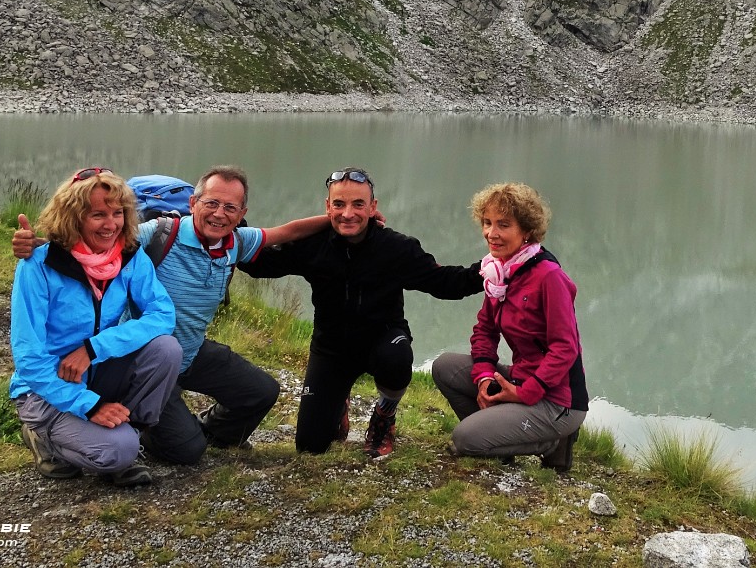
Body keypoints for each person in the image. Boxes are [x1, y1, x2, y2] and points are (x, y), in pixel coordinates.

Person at [14, 165, 334, 465]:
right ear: (193, 203)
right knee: (186, 449)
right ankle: (152, 435)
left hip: (191, 352)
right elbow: (98, 238)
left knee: (261, 391)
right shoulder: (157, 233)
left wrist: (338, 217)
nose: (219, 214)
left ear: (241, 214)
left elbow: (288, 232)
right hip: (145, 359)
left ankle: (209, 433)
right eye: (212, 203)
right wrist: (42, 246)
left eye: (230, 208)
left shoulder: (237, 242)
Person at [244, 167, 483, 457]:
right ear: (327, 207)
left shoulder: (397, 248)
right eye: (339, 204)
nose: (348, 214)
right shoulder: (311, 246)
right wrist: (226, 226)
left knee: (397, 357)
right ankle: (337, 401)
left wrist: (495, 267)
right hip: (331, 349)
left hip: (383, 342)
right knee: (310, 447)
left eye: (358, 204)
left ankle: (385, 413)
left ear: (373, 207)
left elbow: (446, 283)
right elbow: (259, 265)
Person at [9, 167, 182, 487]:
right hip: (47, 386)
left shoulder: (130, 258)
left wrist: (94, 349)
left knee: (166, 349)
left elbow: (162, 314)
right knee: (119, 452)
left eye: (118, 213)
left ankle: (127, 434)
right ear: (73, 216)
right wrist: (90, 407)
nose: (111, 224)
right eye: (98, 214)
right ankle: (43, 438)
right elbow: (29, 358)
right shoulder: (38, 264)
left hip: (97, 370)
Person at [431, 182, 589, 472]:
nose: (492, 233)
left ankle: (554, 442)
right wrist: (482, 378)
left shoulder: (548, 276)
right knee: (444, 367)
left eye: (504, 225)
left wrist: (526, 392)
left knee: (464, 439)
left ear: (526, 230)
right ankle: (500, 443)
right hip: (521, 378)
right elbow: (484, 331)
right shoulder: (498, 271)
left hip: (558, 399)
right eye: (487, 223)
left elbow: (565, 348)